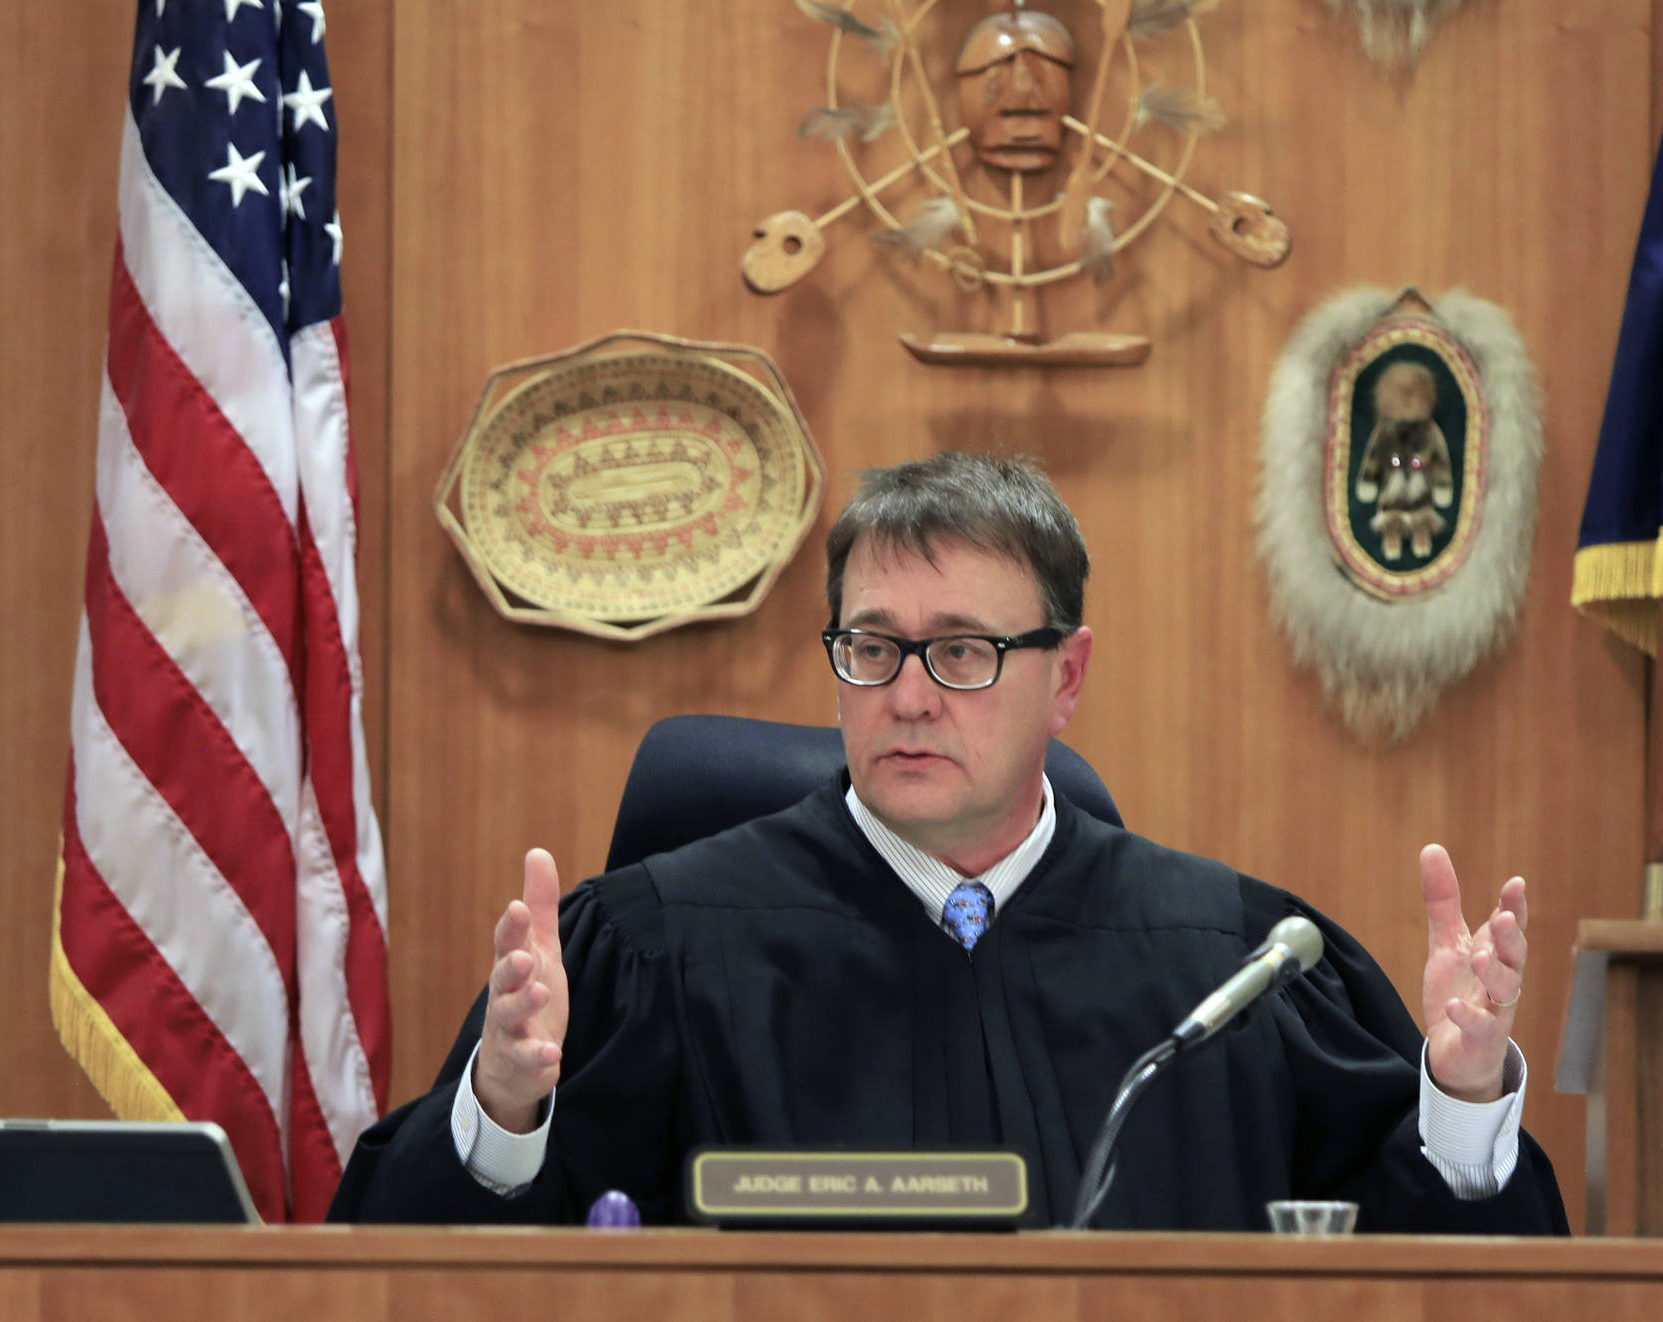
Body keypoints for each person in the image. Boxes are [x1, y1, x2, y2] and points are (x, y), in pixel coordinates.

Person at [331, 452, 1567, 1232]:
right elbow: (408, 1268)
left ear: (1065, 675)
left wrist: (1457, 1098)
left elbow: (1435, 1284)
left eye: (963, 651)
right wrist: (500, 1105)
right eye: (870, 646)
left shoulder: (1236, 966)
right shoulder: (657, 942)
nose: (907, 695)